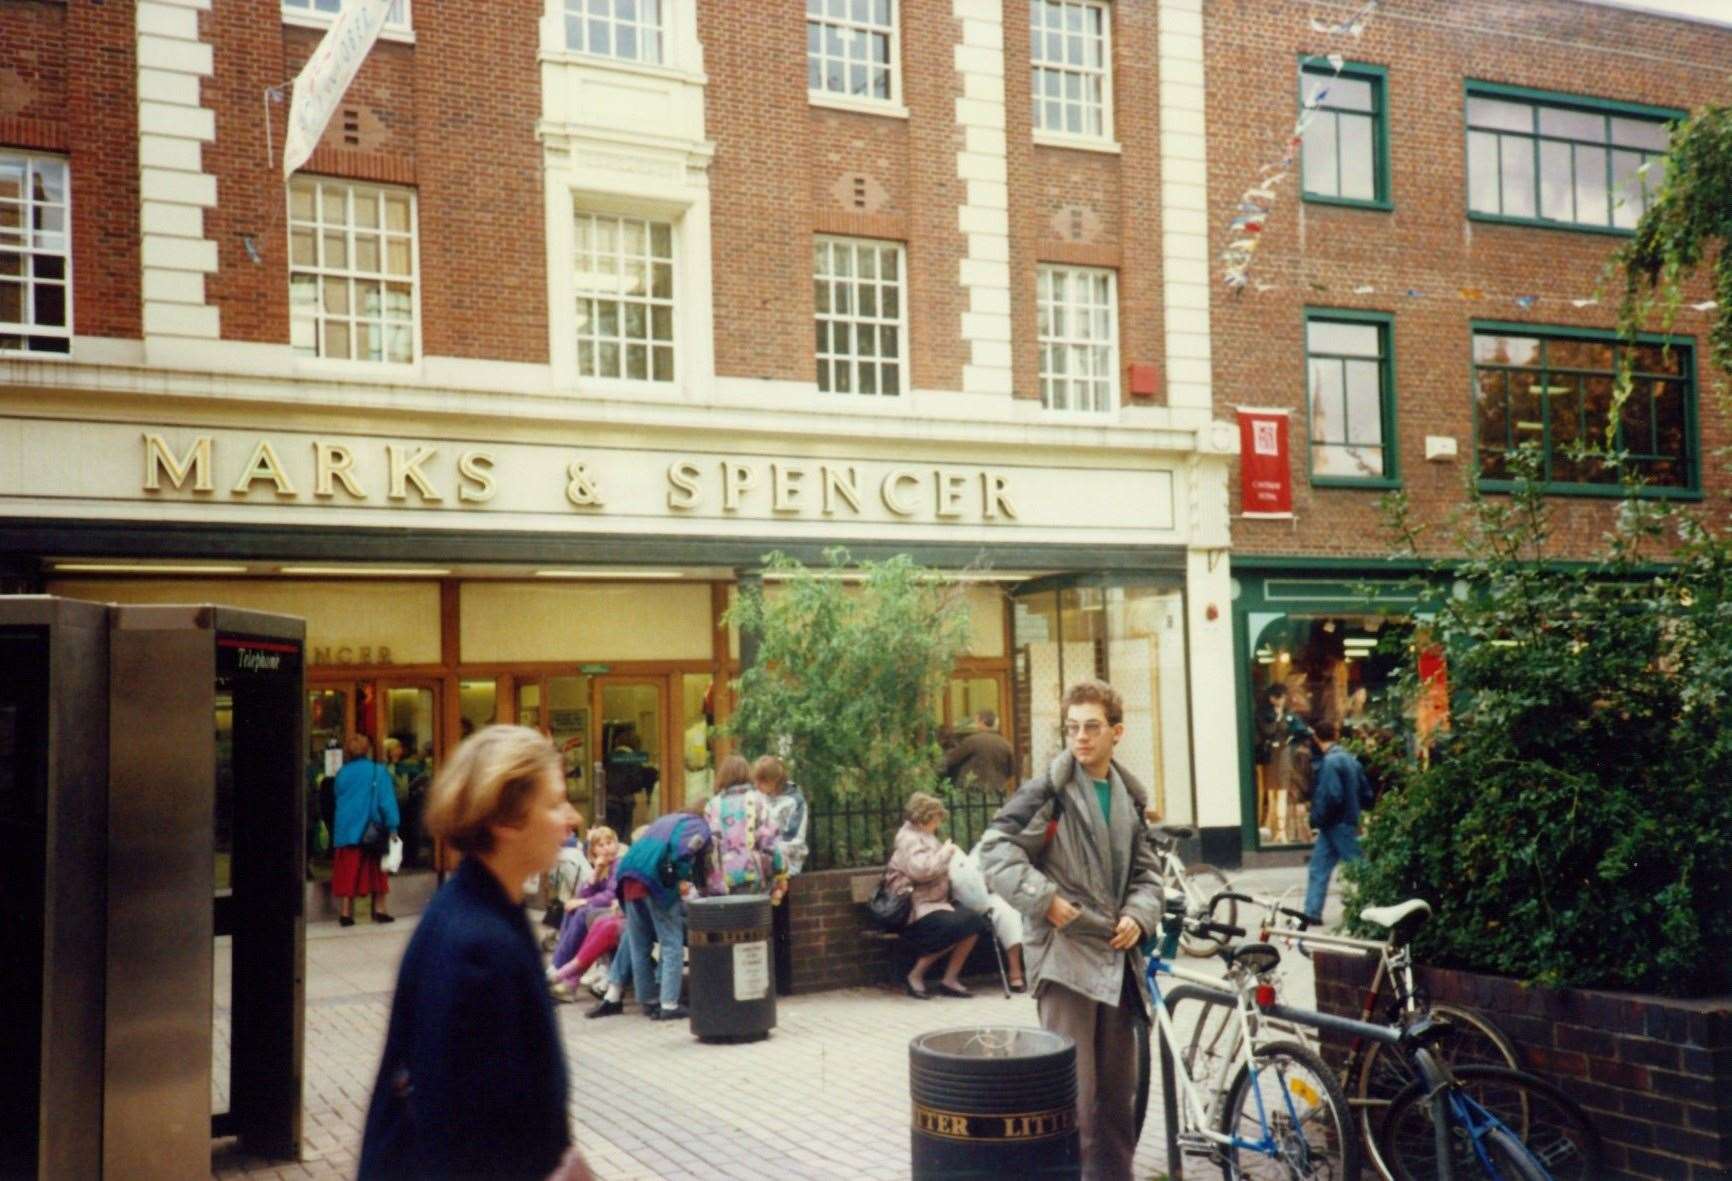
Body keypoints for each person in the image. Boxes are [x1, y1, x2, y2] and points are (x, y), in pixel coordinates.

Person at [358, 725, 590, 1181]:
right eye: (554, 802)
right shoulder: (476, 948)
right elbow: (464, 1139)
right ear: (505, 818)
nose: (572, 818)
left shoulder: (487, 910)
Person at [980, 680, 1164, 1181]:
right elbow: (994, 852)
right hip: (1065, 961)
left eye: (1091, 727)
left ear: (1116, 732)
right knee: (1075, 1104)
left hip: (1116, 958)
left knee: (1116, 1106)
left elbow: (1148, 873)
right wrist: (1047, 901)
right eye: (1071, 727)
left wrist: (1140, 915)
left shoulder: (1129, 796)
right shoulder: (1048, 791)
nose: (1080, 737)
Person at [586, 807, 713, 1021]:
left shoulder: (666, 822)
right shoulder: (698, 826)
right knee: (672, 943)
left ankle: (648, 1001)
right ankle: (669, 1004)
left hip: (629, 878)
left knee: (637, 942)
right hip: (653, 880)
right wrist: (680, 878)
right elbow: (685, 853)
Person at [886, 791, 991, 1000]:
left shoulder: (924, 835)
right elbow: (921, 871)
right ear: (925, 817)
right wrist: (946, 853)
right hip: (917, 908)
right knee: (962, 924)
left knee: (976, 922)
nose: (938, 823)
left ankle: (949, 979)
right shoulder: (909, 839)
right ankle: (915, 975)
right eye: (936, 818)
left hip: (935, 903)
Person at [1302, 718, 1373, 925]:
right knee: (1322, 866)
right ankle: (1312, 912)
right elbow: (1366, 792)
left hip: (1335, 823)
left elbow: (1331, 795)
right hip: (1346, 821)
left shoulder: (1330, 762)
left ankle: (1369, 908)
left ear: (1316, 737)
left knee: (1353, 867)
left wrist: (1317, 818)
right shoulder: (1351, 760)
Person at [331, 734, 400, 927]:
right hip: (372, 829)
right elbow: (387, 802)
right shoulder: (378, 772)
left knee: (348, 871)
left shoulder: (342, 773)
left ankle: (345, 912)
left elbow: (337, 796)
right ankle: (380, 909)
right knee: (378, 870)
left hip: (346, 830)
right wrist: (393, 825)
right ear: (367, 750)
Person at [754, 754, 808, 994]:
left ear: (773, 780)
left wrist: (769, 850)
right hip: (761, 867)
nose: (758, 787)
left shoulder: (794, 801)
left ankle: (781, 981)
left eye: (761, 782)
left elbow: (794, 837)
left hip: (784, 866)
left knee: (779, 923)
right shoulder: (759, 798)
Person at [703, 754, 787, 898]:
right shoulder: (758, 800)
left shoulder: (712, 806)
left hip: (722, 881)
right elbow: (771, 842)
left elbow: (708, 846)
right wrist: (780, 873)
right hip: (754, 876)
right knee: (755, 919)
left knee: (731, 920)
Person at [948, 840, 1026, 991]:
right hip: (984, 896)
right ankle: (1015, 972)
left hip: (1017, 893)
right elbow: (972, 879)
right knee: (1008, 913)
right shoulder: (985, 845)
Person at [548, 825, 620, 989]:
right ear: (593, 850)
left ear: (616, 844)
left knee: (582, 912)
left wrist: (584, 902)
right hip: (605, 909)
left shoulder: (618, 864)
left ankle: (558, 966)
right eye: (600, 845)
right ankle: (560, 964)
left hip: (619, 910)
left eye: (609, 843)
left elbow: (611, 895)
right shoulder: (603, 867)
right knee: (572, 909)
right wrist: (596, 873)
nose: (606, 848)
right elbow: (583, 894)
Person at [942, 709, 1017, 794]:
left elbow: (951, 759)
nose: (975, 725)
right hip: (997, 790)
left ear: (982, 722)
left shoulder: (972, 741)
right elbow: (1012, 770)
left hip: (973, 790)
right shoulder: (1006, 744)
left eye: (976, 721)